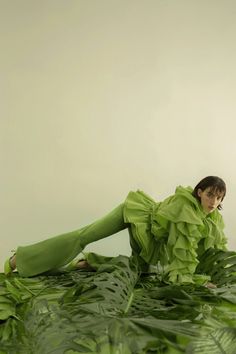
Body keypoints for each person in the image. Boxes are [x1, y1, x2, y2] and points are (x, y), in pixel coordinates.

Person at [4, 176, 227, 287]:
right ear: (199, 192)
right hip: (135, 214)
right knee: (84, 236)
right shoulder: (185, 208)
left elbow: (213, 252)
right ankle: (21, 259)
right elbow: (182, 257)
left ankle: (91, 263)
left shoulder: (212, 220)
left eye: (218, 198)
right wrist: (196, 281)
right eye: (210, 195)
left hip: (149, 237)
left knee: (140, 270)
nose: (213, 201)